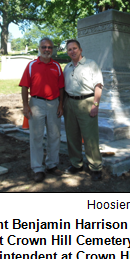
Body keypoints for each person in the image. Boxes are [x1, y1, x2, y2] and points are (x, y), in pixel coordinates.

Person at [19, 37, 64, 182]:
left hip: (54, 104)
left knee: (54, 135)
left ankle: (52, 165)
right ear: (39, 48)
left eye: (49, 47)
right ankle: (38, 168)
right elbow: (25, 86)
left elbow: (61, 87)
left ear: (53, 49)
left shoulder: (56, 66)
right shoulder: (32, 65)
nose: (47, 50)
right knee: (36, 136)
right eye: (44, 47)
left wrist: (61, 105)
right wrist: (26, 105)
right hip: (36, 104)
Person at [63, 39, 103, 181]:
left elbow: (98, 85)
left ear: (80, 50)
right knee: (72, 135)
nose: (72, 51)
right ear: (67, 52)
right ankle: (76, 164)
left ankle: (96, 167)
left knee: (90, 137)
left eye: (74, 48)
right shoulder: (67, 68)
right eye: (69, 49)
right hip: (70, 103)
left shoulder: (91, 64)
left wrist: (95, 105)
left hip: (87, 102)